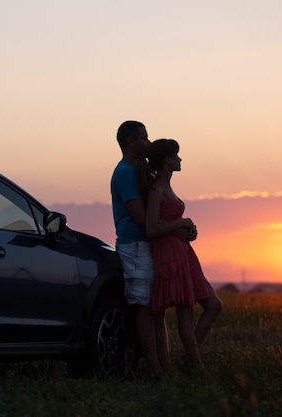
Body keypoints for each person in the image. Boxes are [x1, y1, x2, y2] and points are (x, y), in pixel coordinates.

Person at [139, 138, 223, 371]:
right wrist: (181, 222)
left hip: (183, 252)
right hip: (170, 255)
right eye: (176, 156)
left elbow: (167, 223)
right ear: (166, 160)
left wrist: (186, 230)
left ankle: (188, 360)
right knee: (185, 312)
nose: (180, 159)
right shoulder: (157, 190)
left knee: (214, 305)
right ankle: (196, 366)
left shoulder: (167, 187)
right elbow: (151, 228)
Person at [110, 121, 170, 378]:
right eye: (143, 138)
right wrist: (173, 227)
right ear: (131, 141)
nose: (148, 142)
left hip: (145, 244)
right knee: (144, 307)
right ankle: (155, 369)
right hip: (134, 246)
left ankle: (164, 366)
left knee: (156, 308)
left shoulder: (138, 170)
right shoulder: (124, 173)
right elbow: (139, 216)